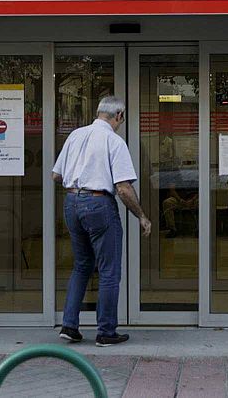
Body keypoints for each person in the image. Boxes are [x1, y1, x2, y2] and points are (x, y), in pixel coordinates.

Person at [51, 96, 152, 347]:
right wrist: (141, 216)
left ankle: (69, 326)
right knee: (109, 271)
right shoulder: (113, 141)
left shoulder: (75, 136)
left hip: (72, 203)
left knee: (81, 266)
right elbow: (124, 188)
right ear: (118, 116)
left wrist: (78, 182)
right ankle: (106, 331)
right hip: (98, 204)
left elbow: (56, 175)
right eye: (122, 118)